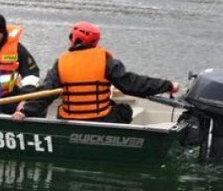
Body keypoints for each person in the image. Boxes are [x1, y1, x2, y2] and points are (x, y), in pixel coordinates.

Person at [12, 21, 179, 123]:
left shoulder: (61, 62)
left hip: (70, 120)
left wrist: (25, 111)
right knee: (124, 110)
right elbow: (133, 85)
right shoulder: (106, 61)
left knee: (56, 107)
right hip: (100, 119)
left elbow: (47, 93)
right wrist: (167, 85)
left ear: (74, 39)